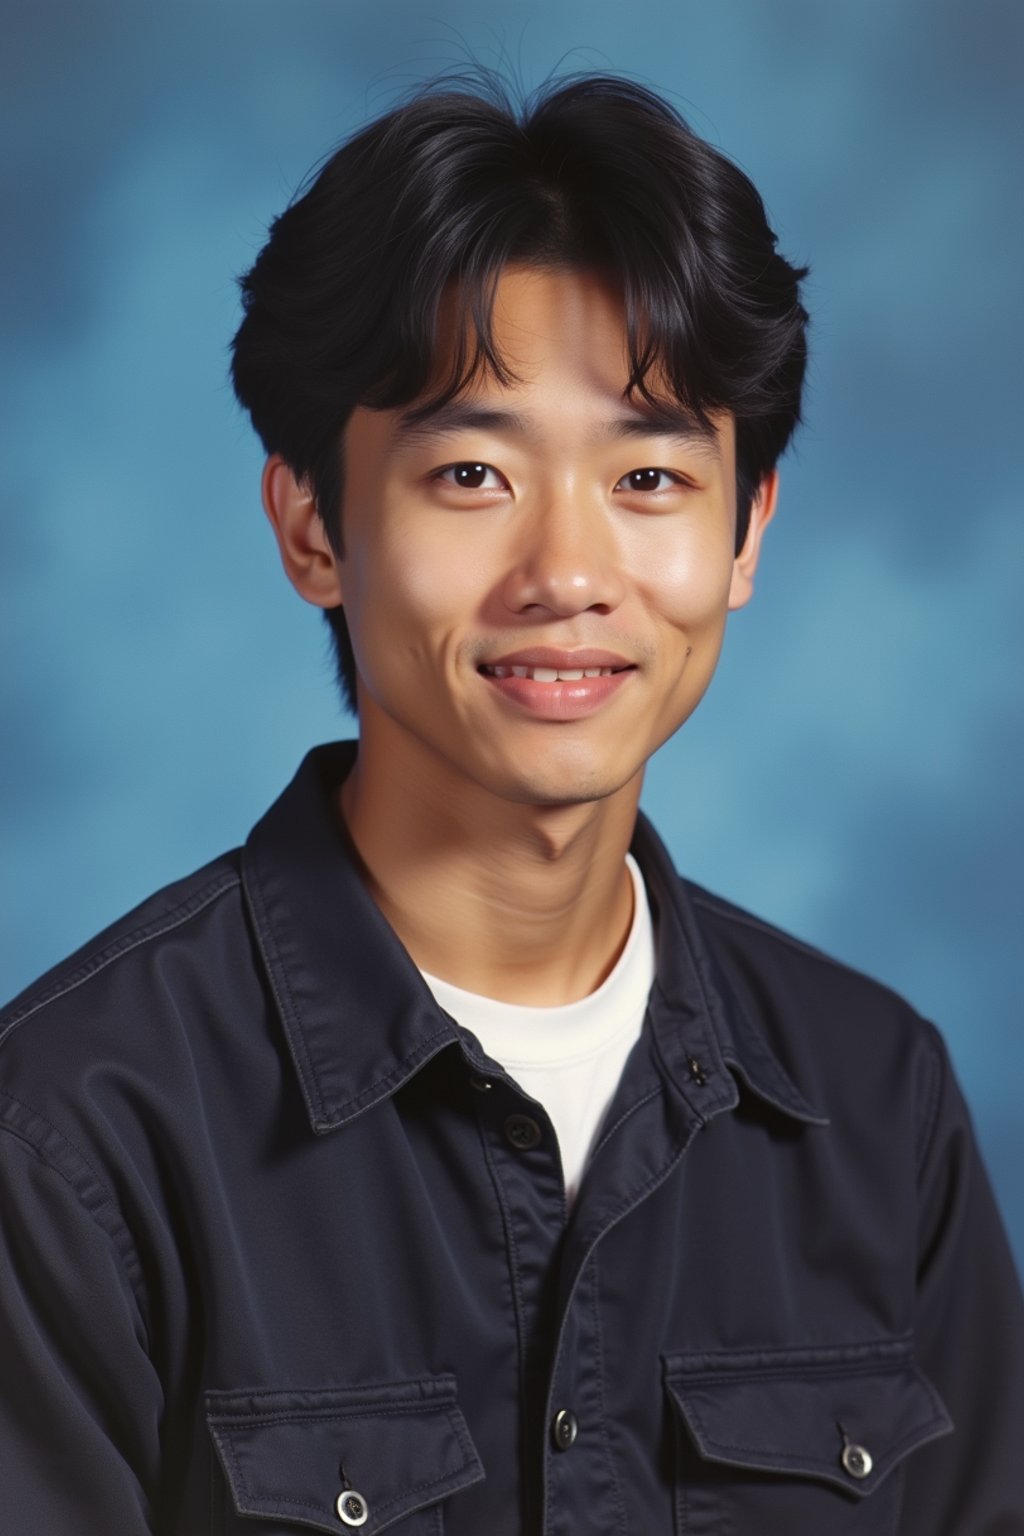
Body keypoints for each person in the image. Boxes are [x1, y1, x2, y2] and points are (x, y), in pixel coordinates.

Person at [0, 73, 1021, 1536]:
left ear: (747, 536)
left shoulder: (877, 1104)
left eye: (651, 473)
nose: (568, 572)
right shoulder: (73, 1140)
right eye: (472, 470)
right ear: (312, 527)